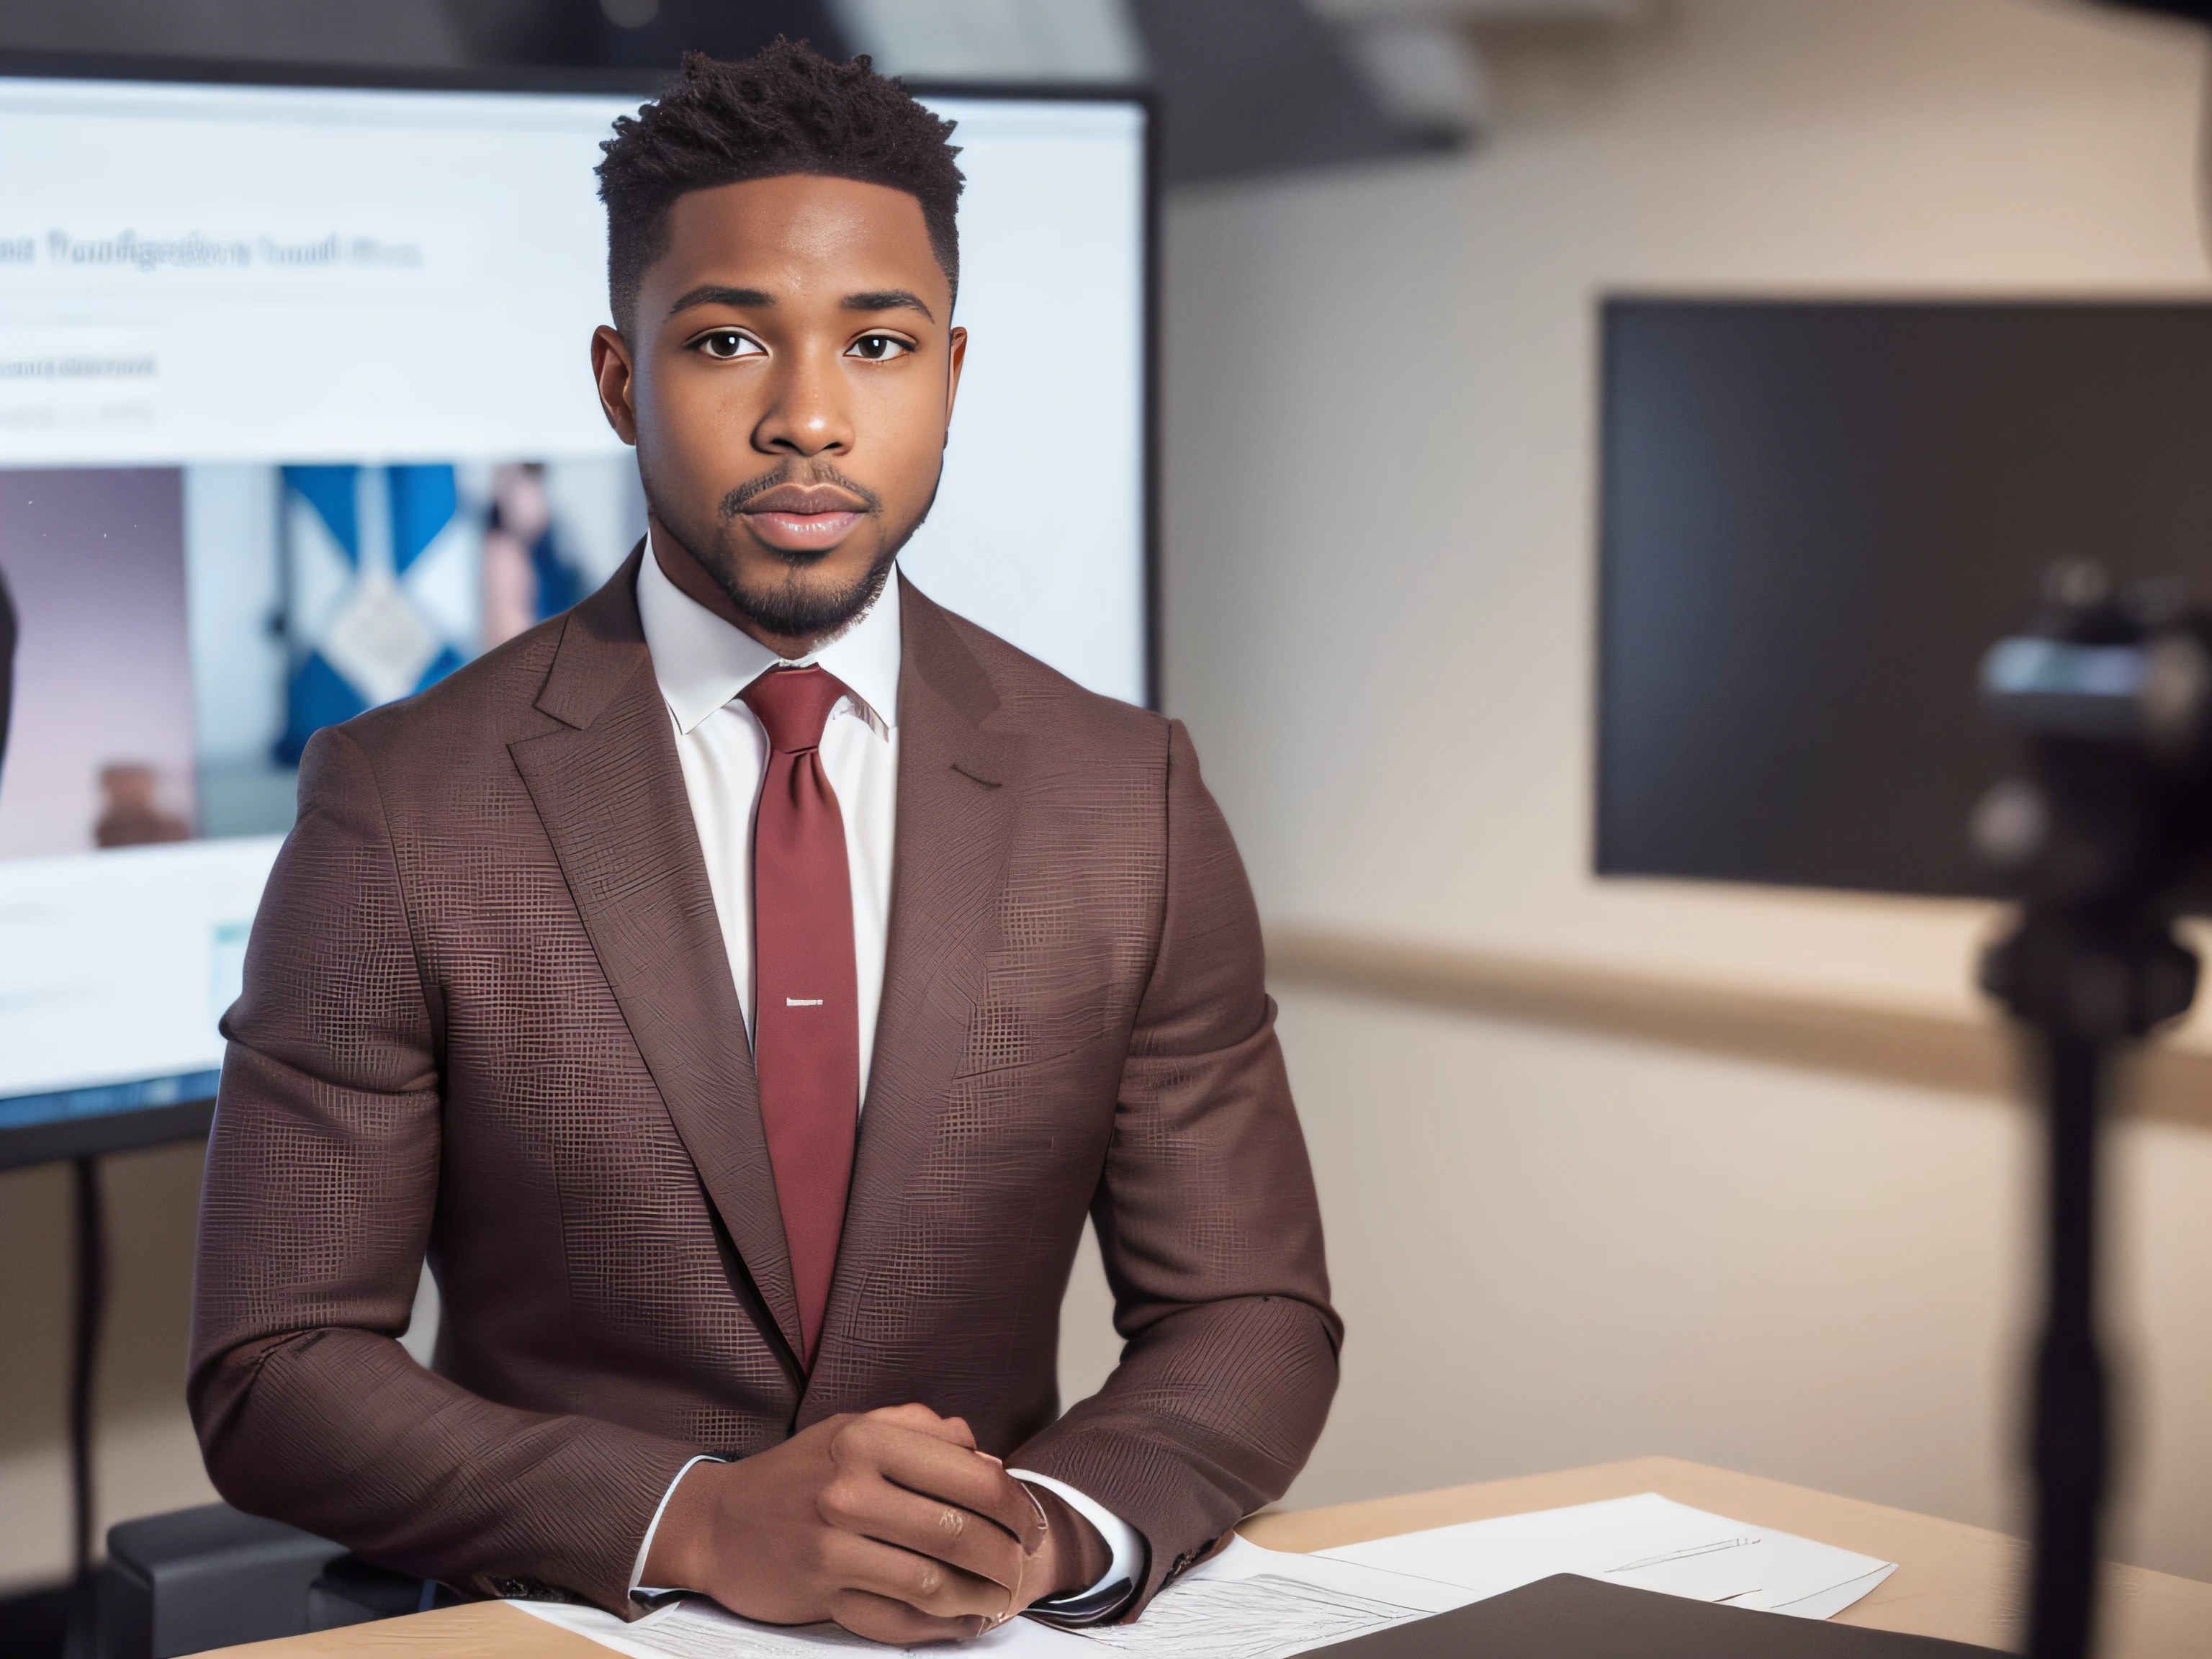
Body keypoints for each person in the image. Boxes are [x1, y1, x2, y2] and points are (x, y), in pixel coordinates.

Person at [189, 41, 1338, 1644]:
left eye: (879, 343)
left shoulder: (1123, 794)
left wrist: (1044, 1533)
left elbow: (1247, 1313)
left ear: (951, 370)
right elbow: (277, 1366)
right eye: (729, 339)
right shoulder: (401, 805)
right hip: (575, 1624)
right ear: (617, 376)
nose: (810, 417)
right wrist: (698, 1518)